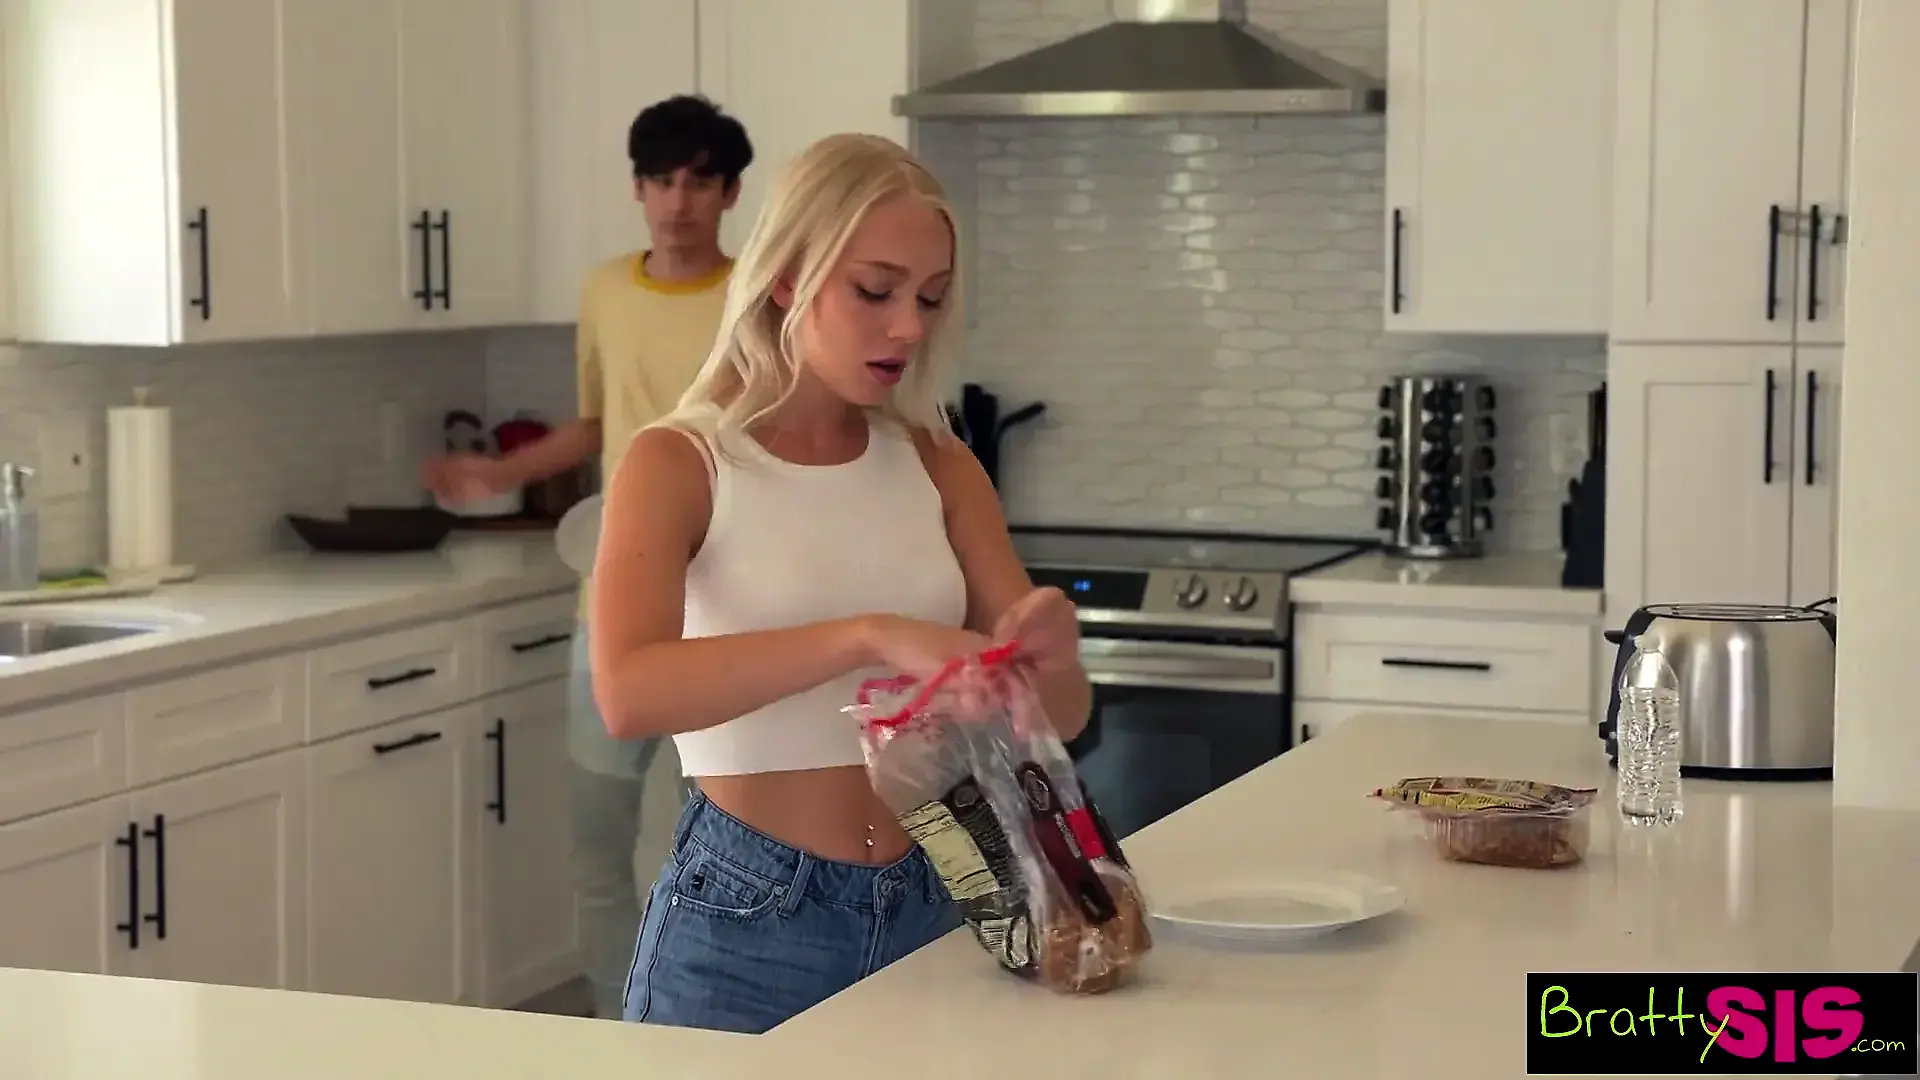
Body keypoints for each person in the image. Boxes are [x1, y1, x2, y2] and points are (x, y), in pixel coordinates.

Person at [588, 132, 1093, 1035]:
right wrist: (867, 636)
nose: (910, 327)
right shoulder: (680, 461)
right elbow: (628, 693)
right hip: (745, 920)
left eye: (930, 297)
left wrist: (1048, 659)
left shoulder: (939, 464)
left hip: (938, 899)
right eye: (875, 290)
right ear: (788, 276)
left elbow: (1060, 717)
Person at [422, 95, 753, 1021]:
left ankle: (703, 1017)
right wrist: (498, 473)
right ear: (637, 189)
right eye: (661, 181)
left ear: (730, 194)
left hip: (724, 608)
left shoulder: (757, 296)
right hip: (610, 606)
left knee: (717, 841)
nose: (678, 201)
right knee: (595, 839)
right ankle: (617, 1020)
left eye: (699, 182)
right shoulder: (606, 289)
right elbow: (597, 423)